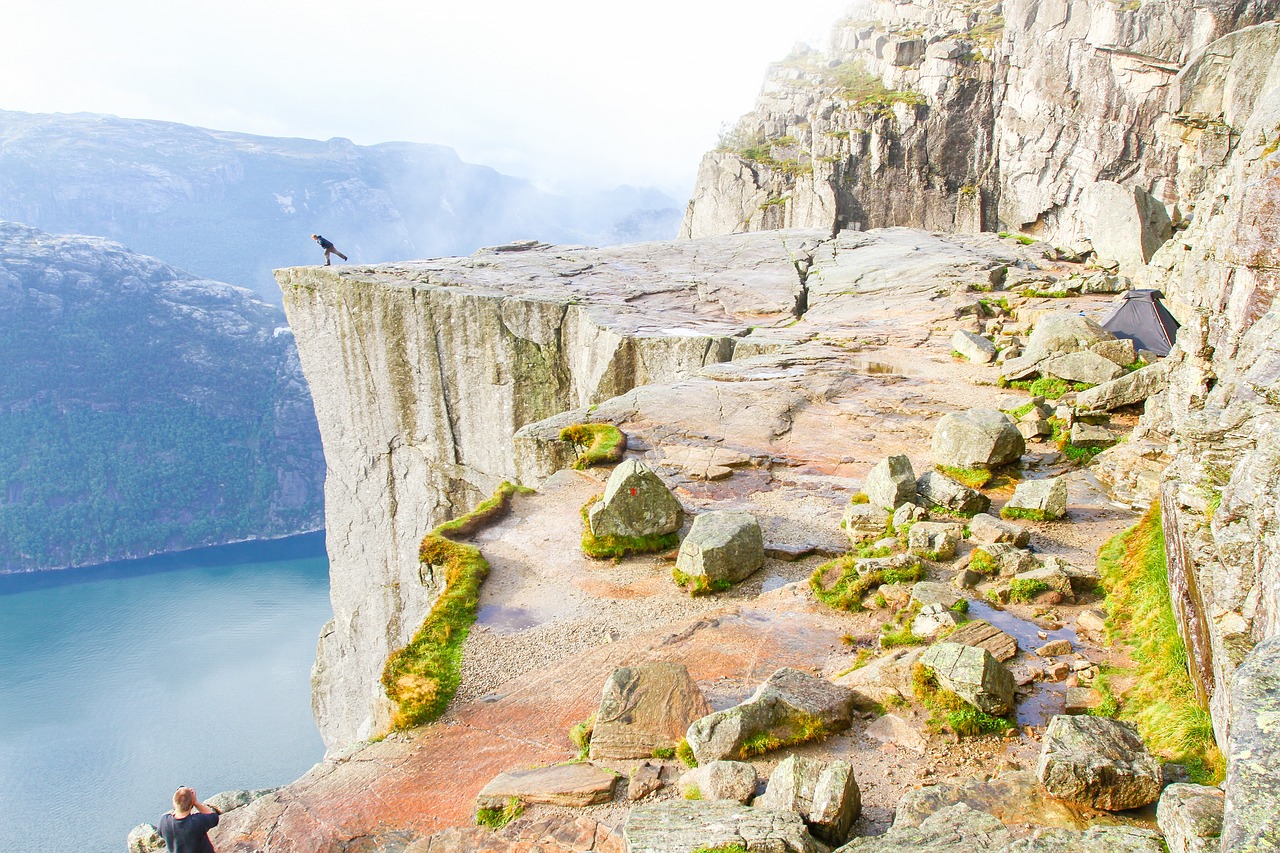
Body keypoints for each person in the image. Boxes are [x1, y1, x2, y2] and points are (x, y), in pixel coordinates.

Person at [157, 786, 220, 853]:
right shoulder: (197, 821)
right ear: (191, 804)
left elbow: (160, 832)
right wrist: (196, 803)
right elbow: (214, 817)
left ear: (174, 803)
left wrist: (179, 804)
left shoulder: (164, 822)